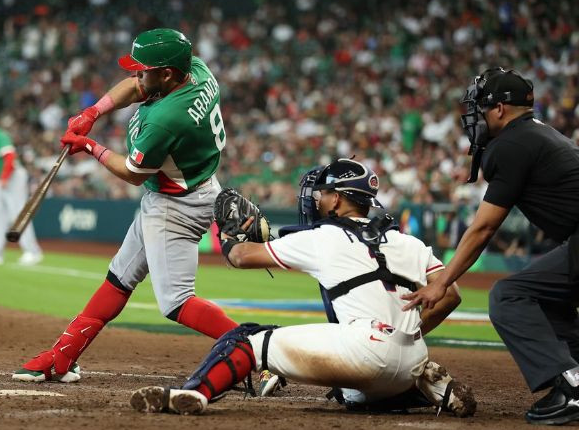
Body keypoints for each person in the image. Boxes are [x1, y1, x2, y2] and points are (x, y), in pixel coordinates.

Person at [130, 158, 474, 416]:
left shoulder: (322, 237)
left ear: (337, 200)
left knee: (247, 339)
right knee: (350, 392)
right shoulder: (407, 241)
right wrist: (409, 331)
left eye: (323, 193)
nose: (317, 199)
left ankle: (194, 393)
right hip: (411, 359)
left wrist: (228, 233)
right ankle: (435, 389)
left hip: (367, 353)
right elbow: (451, 295)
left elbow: (240, 257)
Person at [12, 28, 244, 383]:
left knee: (176, 302)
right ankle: (62, 356)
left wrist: (89, 146)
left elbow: (135, 172)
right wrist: (93, 111)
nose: (137, 74)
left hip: (176, 204)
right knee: (119, 278)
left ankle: (256, 348)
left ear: (166, 73)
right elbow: (137, 87)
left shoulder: (166, 118)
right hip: (184, 190)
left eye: (144, 68)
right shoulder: (193, 69)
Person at [403, 68, 579, 425]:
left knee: (508, 296)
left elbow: (483, 228)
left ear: (500, 108)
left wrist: (441, 281)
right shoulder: (537, 133)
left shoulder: (510, 144)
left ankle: (572, 389)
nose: (475, 118)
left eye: (480, 109)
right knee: (548, 298)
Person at [0, 111, 43, 266]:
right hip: (1, 179)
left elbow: (10, 157)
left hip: (13, 176)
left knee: (18, 214)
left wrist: (4, 178)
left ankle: (32, 251)